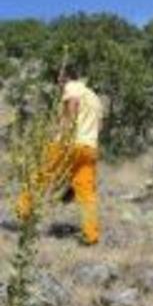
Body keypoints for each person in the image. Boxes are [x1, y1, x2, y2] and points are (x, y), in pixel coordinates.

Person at [17, 65, 103, 245]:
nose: (58, 83)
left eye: (59, 79)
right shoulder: (95, 97)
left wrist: (66, 131)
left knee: (40, 175)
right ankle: (91, 235)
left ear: (66, 77)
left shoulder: (72, 87)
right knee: (86, 193)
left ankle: (22, 212)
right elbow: (99, 125)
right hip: (89, 147)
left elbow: (72, 103)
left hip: (68, 143)